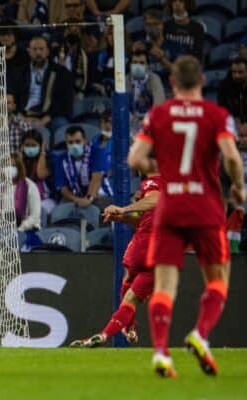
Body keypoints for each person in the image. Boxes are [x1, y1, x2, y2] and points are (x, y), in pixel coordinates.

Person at [128, 55, 245, 378]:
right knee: (218, 281)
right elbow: (232, 158)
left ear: (174, 83)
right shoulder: (216, 115)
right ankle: (200, 334)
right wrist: (237, 187)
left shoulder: (159, 115)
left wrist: (162, 163)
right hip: (206, 208)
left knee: (165, 286)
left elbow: (135, 157)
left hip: (170, 208)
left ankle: (162, 353)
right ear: (202, 82)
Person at [70, 172, 161, 347]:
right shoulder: (176, 188)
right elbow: (144, 220)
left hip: (145, 247)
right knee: (130, 297)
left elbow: (155, 198)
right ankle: (116, 330)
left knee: (128, 286)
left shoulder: (153, 179)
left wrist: (124, 209)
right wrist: (120, 217)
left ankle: (118, 330)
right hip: (163, 253)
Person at [10, 35, 74, 131]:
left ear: (48, 51)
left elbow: (64, 102)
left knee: (61, 124)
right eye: (34, 49)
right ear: (29, 52)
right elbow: (13, 97)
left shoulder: (61, 72)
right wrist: (21, 117)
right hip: (23, 114)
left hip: (50, 115)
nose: (38, 52)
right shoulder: (19, 73)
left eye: (41, 49)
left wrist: (46, 119)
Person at [54, 125, 109, 208]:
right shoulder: (61, 159)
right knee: (62, 210)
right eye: (70, 142)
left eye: (78, 141)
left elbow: (97, 178)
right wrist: (77, 200)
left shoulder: (96, 152)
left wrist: (88, 199)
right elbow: (63, 188)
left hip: (99, 194)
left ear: (85, 141)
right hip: (75, 197)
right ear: (66, 143)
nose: (74, 145)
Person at [8, 153, 41, 231]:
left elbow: (35, 215)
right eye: (7, 166)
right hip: (5, 230)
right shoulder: (0, 187)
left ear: (19, 168)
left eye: (13, 166)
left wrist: (21, 228)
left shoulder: (30, 186)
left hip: (28, 229)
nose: (9, 169)